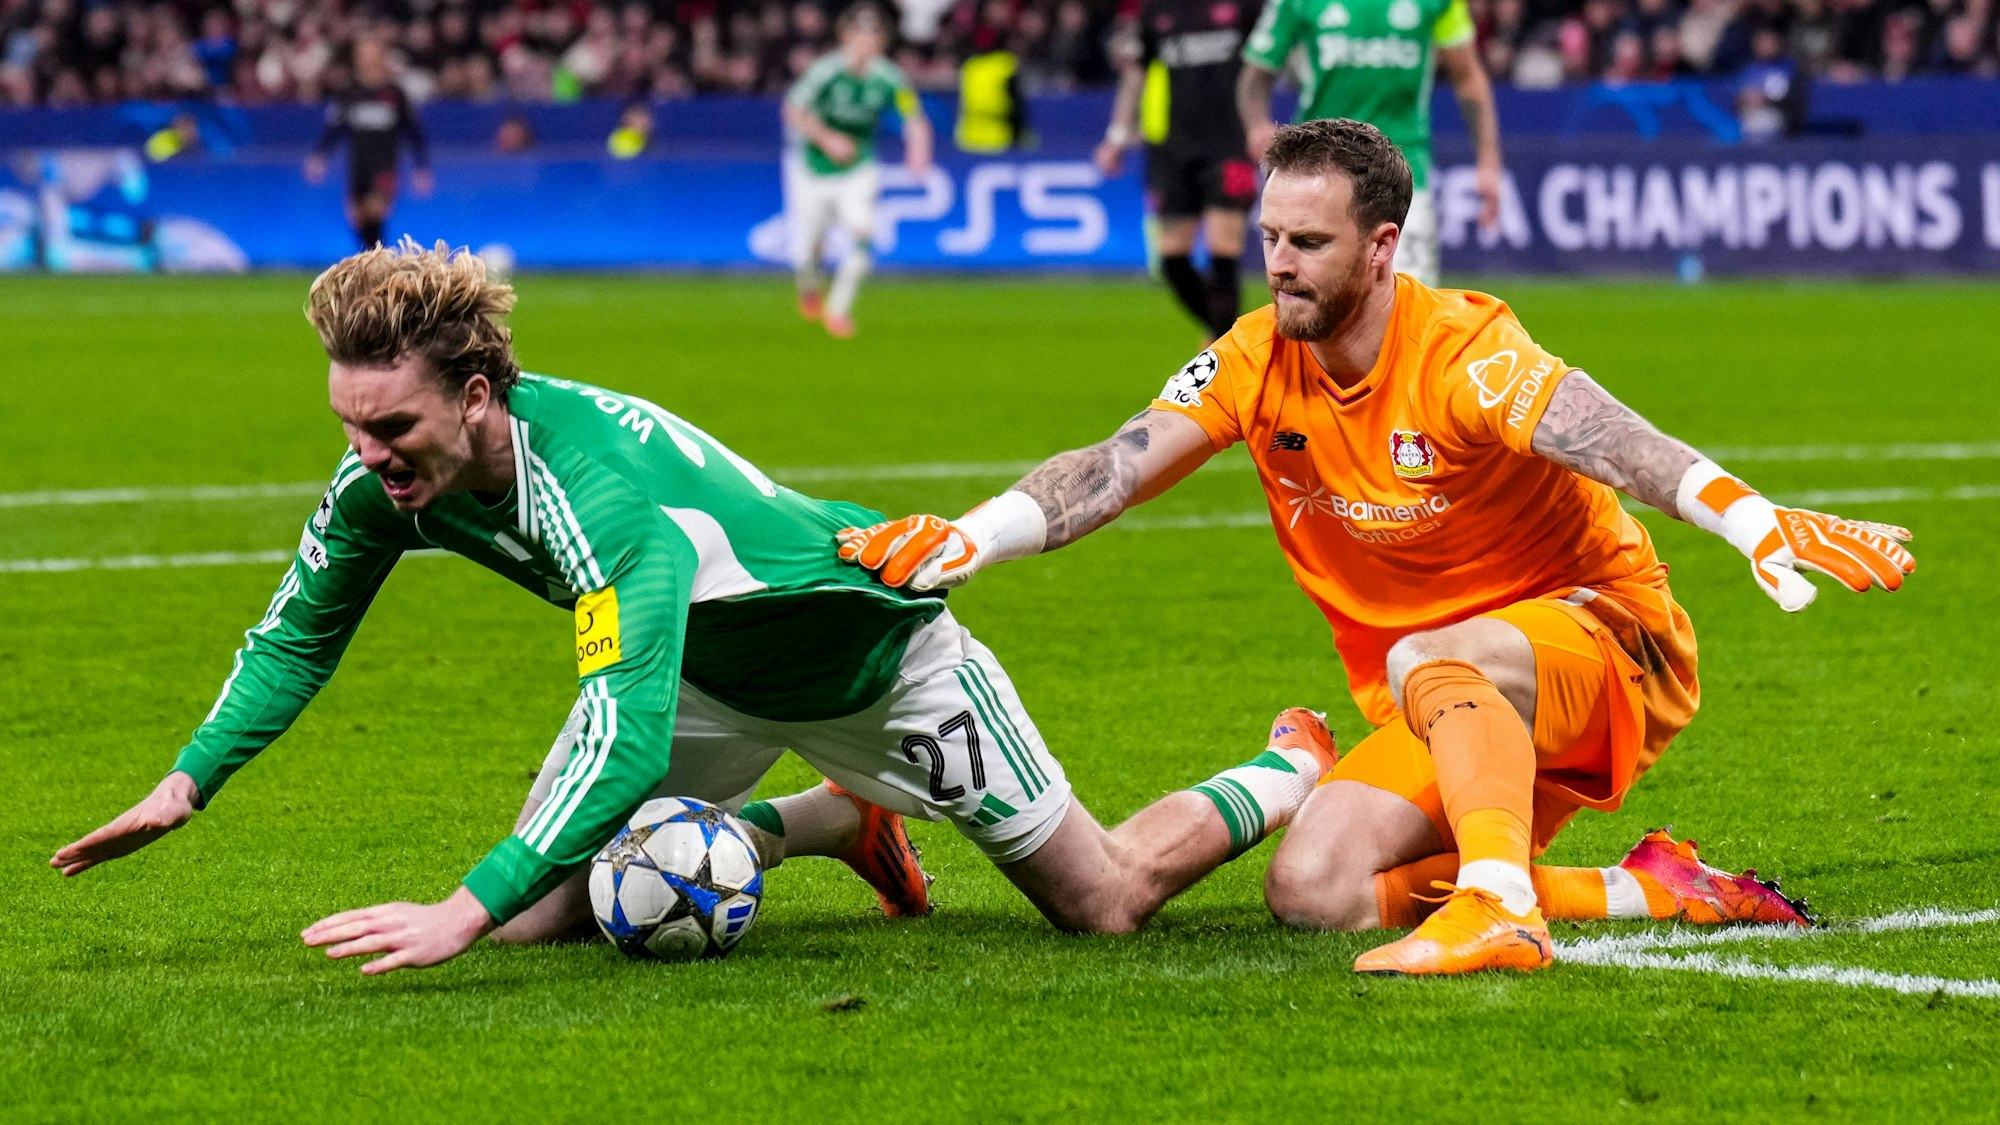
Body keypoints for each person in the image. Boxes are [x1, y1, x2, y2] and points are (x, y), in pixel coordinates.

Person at [48, 239, 1342, 976]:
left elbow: (619, 723)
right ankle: (832, 819)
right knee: (553, 905)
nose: (369, 455)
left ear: (480, 392)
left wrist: (457, 904)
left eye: (391, 426)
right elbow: (299, 629)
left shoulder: (602, 501)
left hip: (875, 657)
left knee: (1103, 900)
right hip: (713, 675)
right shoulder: (392, 481)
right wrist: (189, 779)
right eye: (349, 424)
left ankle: (1286, 771)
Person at [837, 119, 1912, 977]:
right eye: (1268, 238)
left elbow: (1600, 433)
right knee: (1314, 893)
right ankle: (1653, 887)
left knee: (1424, 656)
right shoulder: (1257, 356)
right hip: (1451, 693)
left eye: (1307, 244)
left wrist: (1742, 512)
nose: (1277, 266)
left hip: (1603, 640)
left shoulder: (1461, 351)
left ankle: (1496, 909)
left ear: (1381, 246)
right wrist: (967, 539)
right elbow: (1119, 461)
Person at [1236, 0, 1503, 286]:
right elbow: (1256, 72)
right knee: (1316, 298)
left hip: (1404, 170)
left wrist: (1488, 160)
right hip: (1319, 170)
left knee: (1411, 297)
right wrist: (1256, 126)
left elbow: (1468, 77)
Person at [1095, 0, 1263, 341]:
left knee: (1223, 247)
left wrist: (1258, 123)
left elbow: (1268, 63)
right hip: (1174, 149)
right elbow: (1136, 72)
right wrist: (1117, 134)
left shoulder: (1247, 7)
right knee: (1172, 259)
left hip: (1229, 144)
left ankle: (1219, 352)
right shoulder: (1157, 10)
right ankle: (1233, 339)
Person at [782, 3, 934, 339]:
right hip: (813, 169)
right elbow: (793, 109)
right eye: (859, 35)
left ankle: (838, 311)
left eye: (873, 36)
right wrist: (827, 138)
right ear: (845, 36)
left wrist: (918, 149)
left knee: (863, 232)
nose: (866, 43)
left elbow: (913, 117)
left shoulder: (889, 77)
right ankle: (809, 287)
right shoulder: (825, 72)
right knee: (809, 250)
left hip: (858, 168)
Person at [305, 40, 433, 252]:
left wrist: (422, 167)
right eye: (363, 54)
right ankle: (373, 260)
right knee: (357, 218)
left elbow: (413, 132)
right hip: (358, 167)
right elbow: (334, 129)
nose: (367, 58)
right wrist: (319, 157)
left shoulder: (394, 93)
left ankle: (377, 259)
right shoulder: (349, 93)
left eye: (372, 53)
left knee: (375, 210)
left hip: (384, 166)